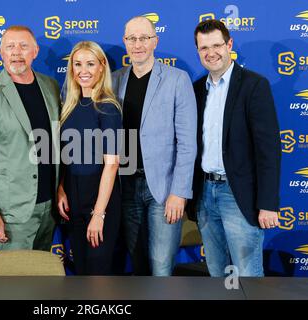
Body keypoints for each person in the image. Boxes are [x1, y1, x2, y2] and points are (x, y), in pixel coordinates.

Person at [188, 19, 281, 277]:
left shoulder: (254, 85)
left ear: (229, 44)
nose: (211, 53)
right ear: (197, 51)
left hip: (238, 194)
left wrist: (268, 203)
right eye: (204, 47)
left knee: (248, 274)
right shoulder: (196, 90)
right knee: (218, 273)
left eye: (217, 45)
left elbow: (269, 150)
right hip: (205, 195)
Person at [112, 16, 197, 276]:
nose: (138, 44)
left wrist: (179, 192)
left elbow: (187, 142)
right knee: (137, 263)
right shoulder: (113, 80)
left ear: (155, 41)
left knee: (161, 266)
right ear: (125, 42)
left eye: (144, 38)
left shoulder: (176, 79)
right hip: (125, 185)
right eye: (132, 39)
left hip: (163, 189)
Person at [0, 26, 60, 251]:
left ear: (35, 51)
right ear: (1, 52)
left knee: (43, 280)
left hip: (50, 207)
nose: (16, 52)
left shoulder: (50, 86)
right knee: (14, 283)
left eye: (23, 46)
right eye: (10, 46)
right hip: (12, 212)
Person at [57, 41, 122, 275]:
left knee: (97, 273)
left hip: (100, 196)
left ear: (102, 67)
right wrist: (62, 188)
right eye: (78, 64)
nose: (83, 70)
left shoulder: (108, 108)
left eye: (90, 64)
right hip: (74, 196)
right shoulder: (69, 107)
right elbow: (68, 154)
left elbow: (112, 164)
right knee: (82, 270)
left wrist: (98, 214)